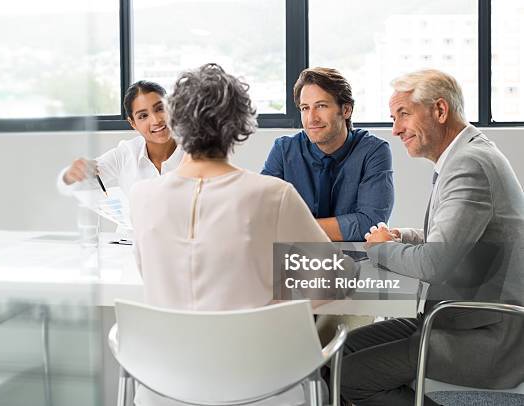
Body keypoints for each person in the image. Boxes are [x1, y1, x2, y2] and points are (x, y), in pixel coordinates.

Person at [129, 63, 357, 406]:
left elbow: (150, 273)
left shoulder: (142, 197)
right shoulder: (272, 194)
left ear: (176, 122)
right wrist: (273, 305)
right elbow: (335, 281)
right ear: (238, 124)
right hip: (262, 391)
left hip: (165, 391)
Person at [341, 69, 524, 405]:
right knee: (343, 350)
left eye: (403, 115)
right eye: (393, 118)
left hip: (486, 338)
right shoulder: (467, 155)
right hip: (462, 320)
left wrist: (383, 249)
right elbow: (459, 237)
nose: (395, 129)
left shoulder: (469, 164)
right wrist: (403, 236)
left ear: (440, 110)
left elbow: (435, 262)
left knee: (351, 377)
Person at [261, 67, 394, 241]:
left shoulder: (373, 151)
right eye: (305, 108)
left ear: (346, 110)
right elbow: (262, 217)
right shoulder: (284, 150)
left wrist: (293, 227)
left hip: (357, 260)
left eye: (321, 106)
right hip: (295, 258)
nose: (311, 118)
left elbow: (370, 222)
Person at [56, 80, 184, 198]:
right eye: (143, 116)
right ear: (133, 123)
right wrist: (70, 175)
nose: (156, 120)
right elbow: (74, 187)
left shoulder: (194, 149)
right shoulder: (125, 154)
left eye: (160, 109)